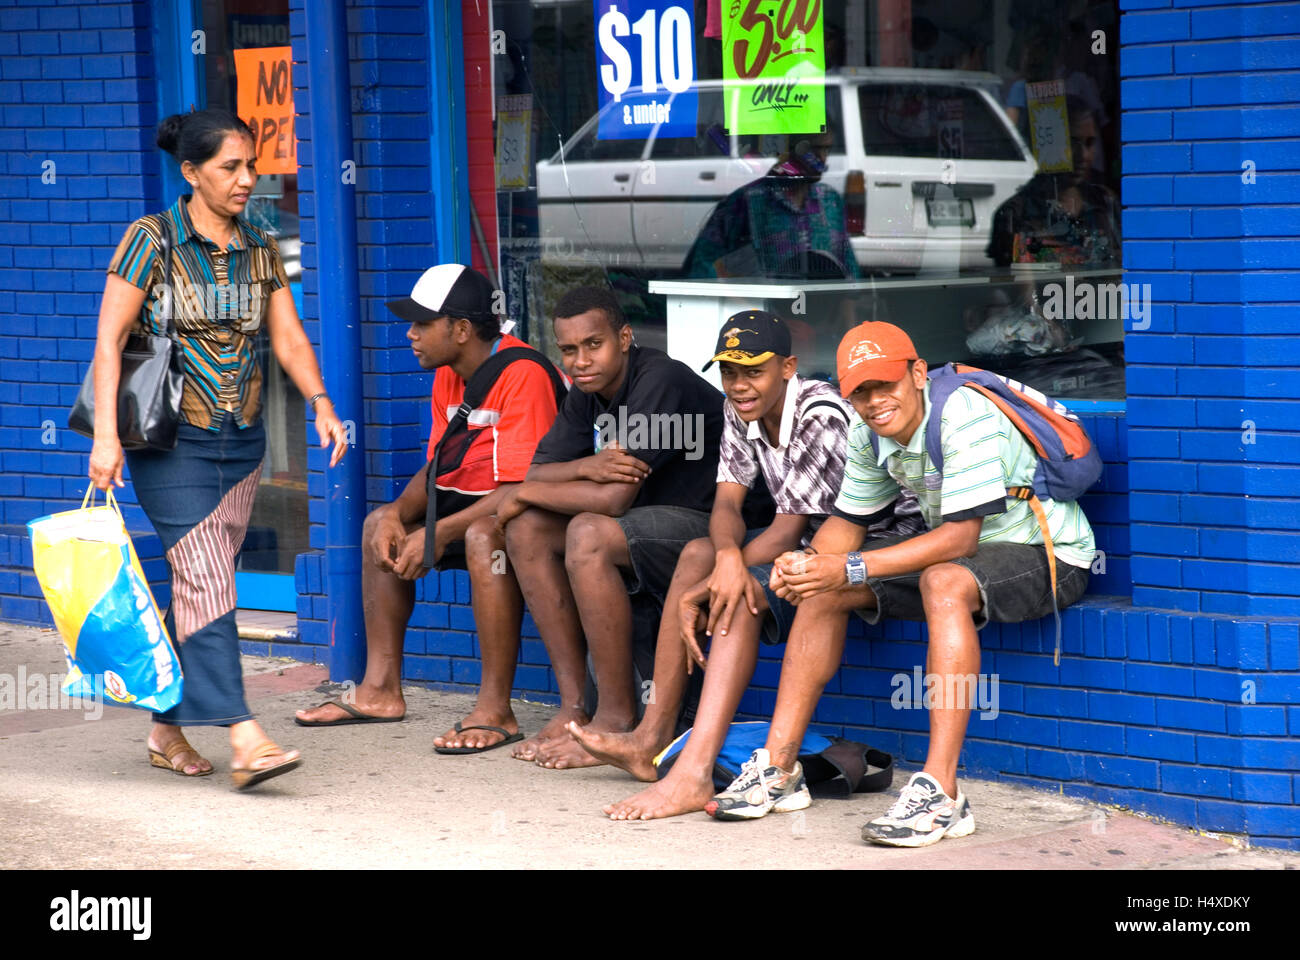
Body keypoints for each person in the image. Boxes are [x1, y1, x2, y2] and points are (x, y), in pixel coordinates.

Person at [709, 321, 1094, 845]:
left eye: (884, 385)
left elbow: (959, 538)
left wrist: (849, 566)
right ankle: (779, 769)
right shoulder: (869, 433)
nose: (873, 402)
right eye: (860, 392)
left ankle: (942, 793)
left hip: (1047, 555)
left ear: (916, 374)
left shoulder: (963, 414)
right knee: (825, 586)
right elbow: (848, 524)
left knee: (941, 581)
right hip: (967, 556)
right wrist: (807, 564)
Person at [568, 311, 922, 819]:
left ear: (787, 367)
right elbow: (727, 505)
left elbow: (787, 530)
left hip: (870, 547)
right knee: (699, 553)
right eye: (729, 372)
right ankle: (649, 737)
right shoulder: (742, 409)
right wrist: (727, 558)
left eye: (753, 371)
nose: (738, 384)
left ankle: (693, 771)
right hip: (811, 539)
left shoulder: (819, 413)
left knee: (740, 591)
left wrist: (724, 577)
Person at [88, 110, 348, 790]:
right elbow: (110, 338)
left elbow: (287, 336)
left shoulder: (259, 240)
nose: (247, 180)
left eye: (251, 166)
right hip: (171, 442)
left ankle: (165, 727)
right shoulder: (153, 239)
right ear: (192, 172)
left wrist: (320, 403)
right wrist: (107, 438)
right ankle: (244, 734)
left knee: (204, 583)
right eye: (231, 168)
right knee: (206, 575)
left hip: (244, 440)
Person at [293, 264, 565, 754]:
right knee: (380, 523)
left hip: (539, 514)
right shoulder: (449, 374)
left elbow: (524, 489)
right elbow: (438, 469)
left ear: (461, 330)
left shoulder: (523, 373)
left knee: (484, 536)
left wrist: (439, 533)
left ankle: (495, 709)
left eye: (423, 324)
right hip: (479, 504)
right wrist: (399, 513)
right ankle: (379, 690)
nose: (410, 334)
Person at [496, 286, 724, 768]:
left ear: (624, 338)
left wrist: (525, 492)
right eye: (569, 350)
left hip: (712, 525)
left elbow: (612, 498)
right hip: (646, 523)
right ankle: (576, 707)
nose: (581, 361)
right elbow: (538, 471)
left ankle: (614, 720)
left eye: (593, 344)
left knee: (587, 531)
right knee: (526, 531)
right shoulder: (588, 392)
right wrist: (588, 466)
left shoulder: (659, 378)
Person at [684, 131, 863, 281]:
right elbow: (707, 271)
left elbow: (848, 271)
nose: (822, 159)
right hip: (764, 316)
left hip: (823, 316)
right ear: (787, 150)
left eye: (826, 149)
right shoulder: (748, 202)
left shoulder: (830, 201)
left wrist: (850, 320)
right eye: (812, 150)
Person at [988, 97, 1120, 268]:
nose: (1083, 155)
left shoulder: (1104, 203)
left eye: (1090, 143)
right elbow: (1018, 287)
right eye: (1072, 144)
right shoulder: (1015, 214)